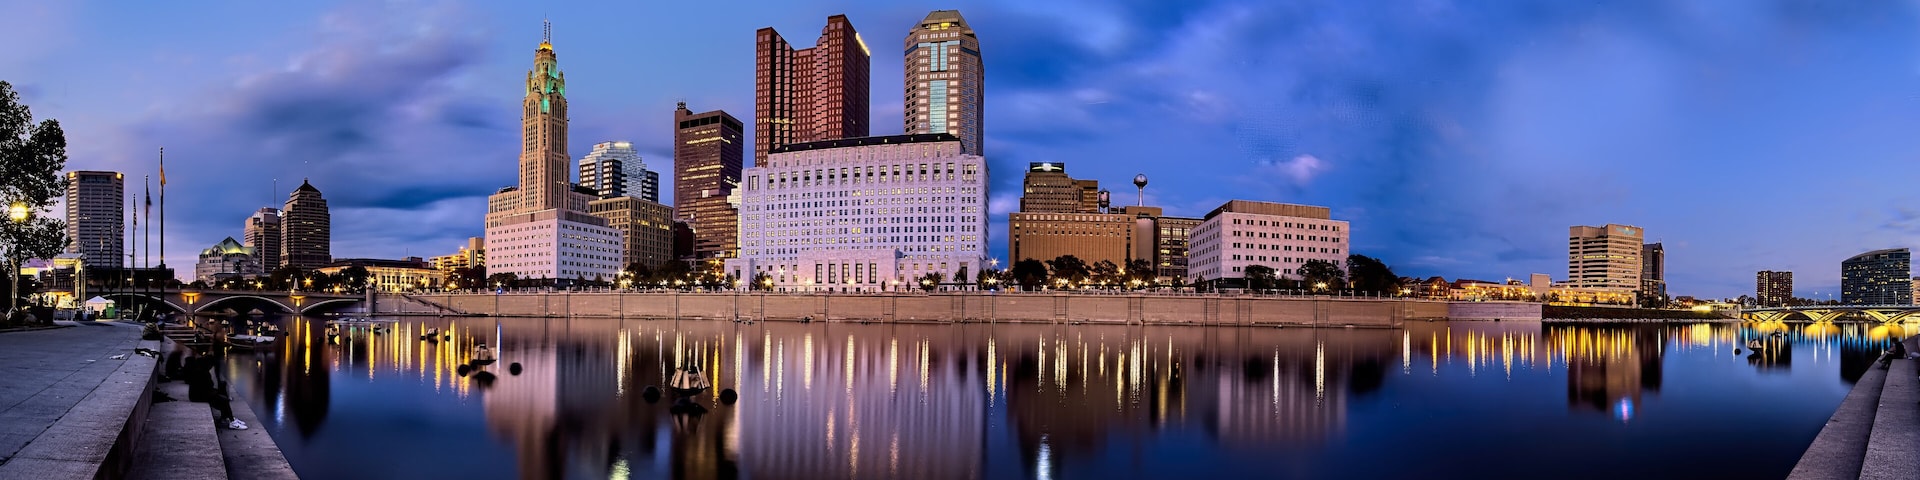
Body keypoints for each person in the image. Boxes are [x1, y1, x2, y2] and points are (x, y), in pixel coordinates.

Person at [182, 356, 248, 430]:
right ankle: (232, 421)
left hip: (198, 394)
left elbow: (208, 387)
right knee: (223, 400)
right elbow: (208, 387)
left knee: (222, 396)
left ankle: (227, 417)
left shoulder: (200, 370)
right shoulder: (202, 373)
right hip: (197, 396)